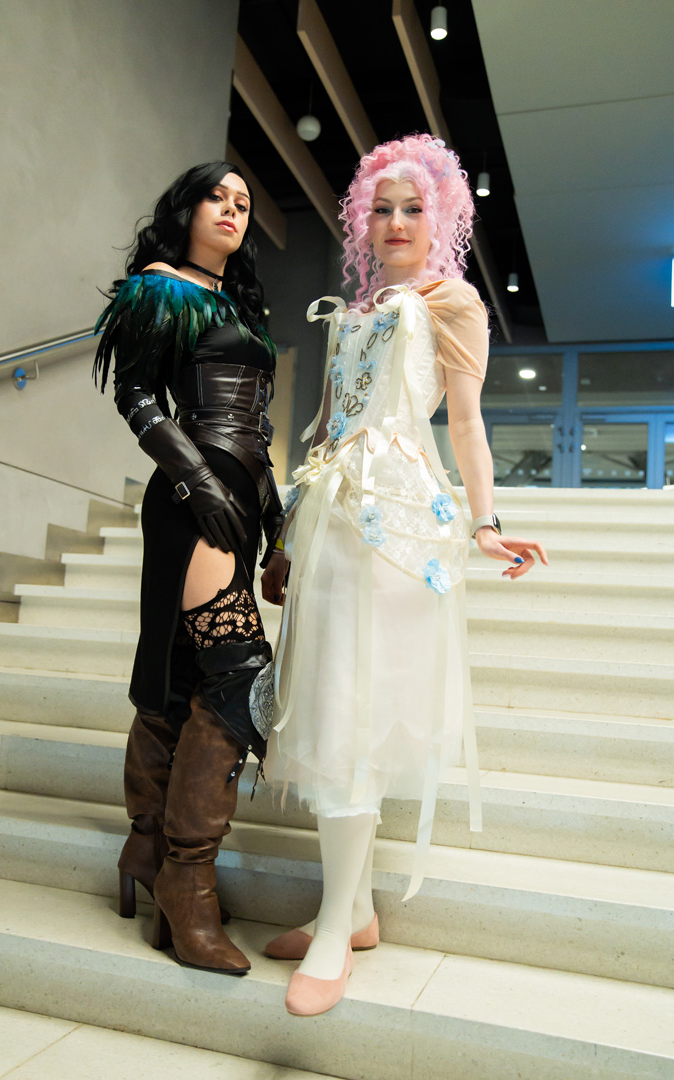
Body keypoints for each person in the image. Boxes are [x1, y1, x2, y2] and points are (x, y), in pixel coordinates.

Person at [261, 133, 547, 1015]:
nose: (394, 221)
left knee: (357, 707)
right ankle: (353, 913)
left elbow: (465, 423)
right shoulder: (353, 310)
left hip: (397, 522)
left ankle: (336, 925)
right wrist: (286, 535)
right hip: (329, 516)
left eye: (413, 208)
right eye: (380, 208)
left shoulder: (452, 302)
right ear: (361, 220)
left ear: (441, 217)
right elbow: (322, 429)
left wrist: (484, 522)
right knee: (331, 702)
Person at [94, 161, 283, 975]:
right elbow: (136, 397)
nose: (232, 210)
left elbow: (257, 431)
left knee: (183, 671)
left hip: (238, 498)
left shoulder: (235, 303)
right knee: (239, 676)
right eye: (218, 197)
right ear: (187, 208)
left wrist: (275, 524)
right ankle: (187, 881)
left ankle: (147, 847)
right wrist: (197, 483)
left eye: (243, 202)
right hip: (188, 498)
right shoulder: (158, 287)